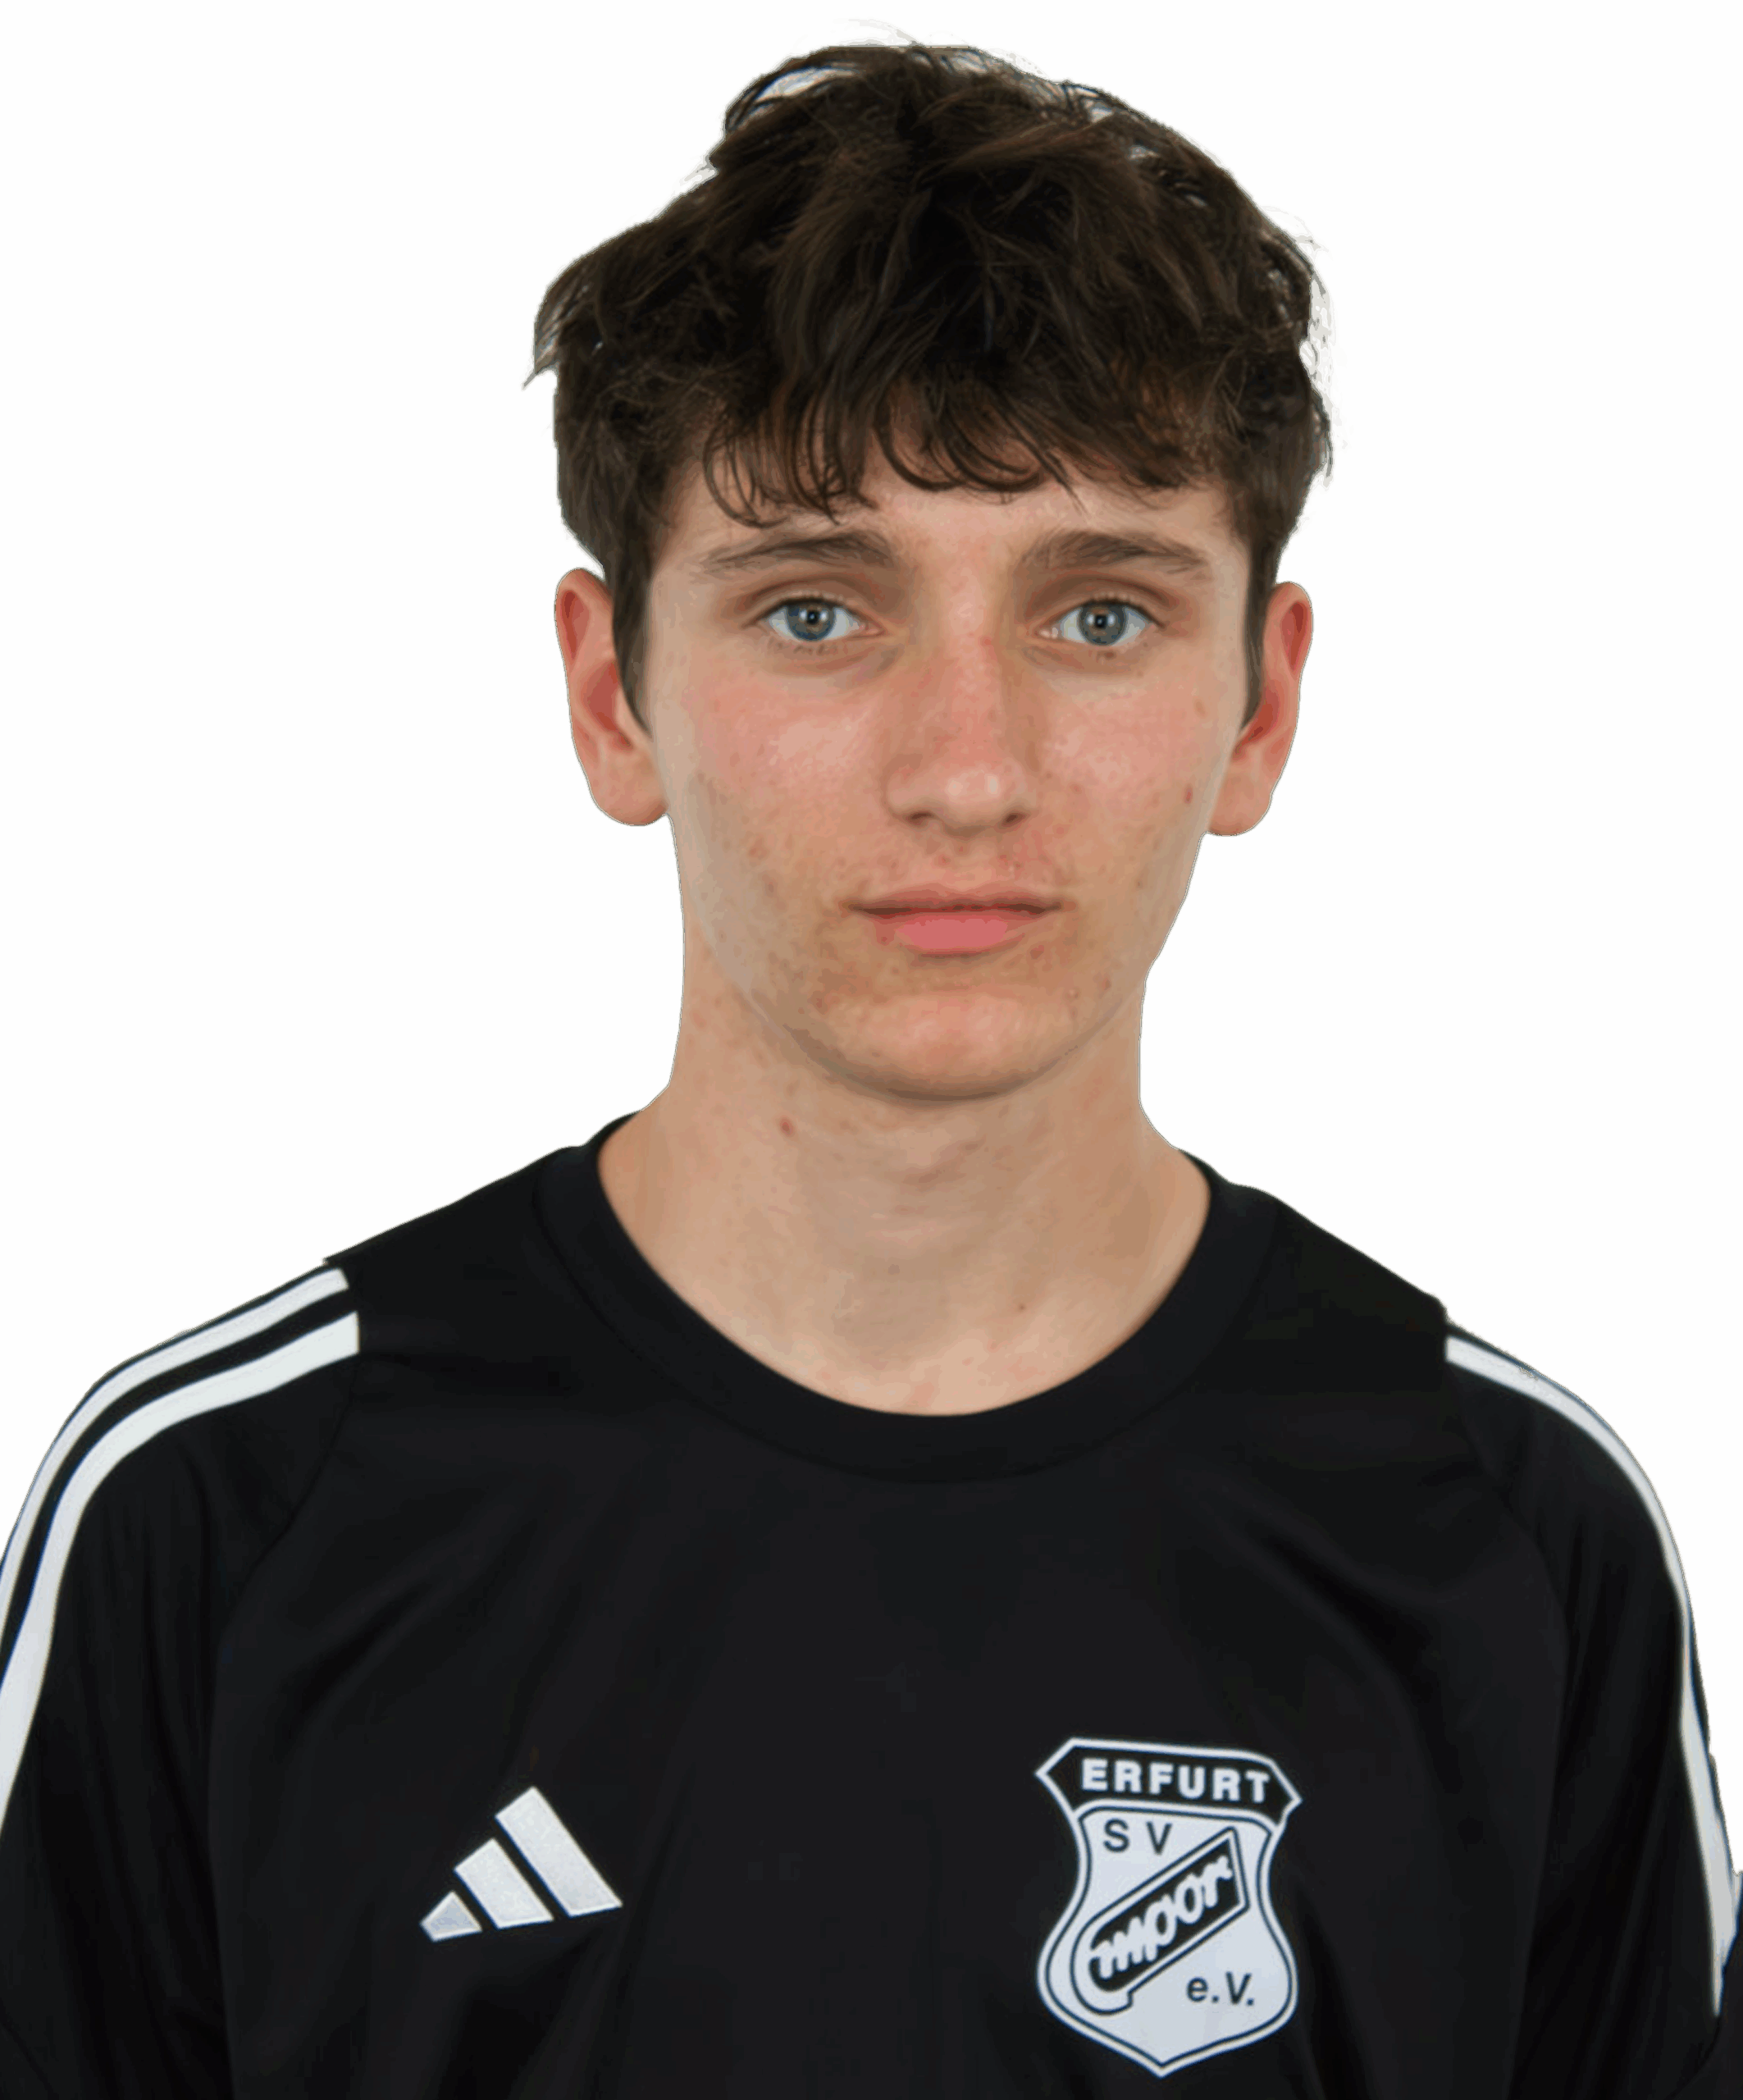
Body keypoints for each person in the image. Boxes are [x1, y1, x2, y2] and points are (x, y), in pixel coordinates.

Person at [0, 23, 1735, 2097]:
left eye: (1100, 614)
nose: (967, 770)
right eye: (818, 611)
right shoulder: (225, 1516)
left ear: (1261, 709)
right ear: (613, 695)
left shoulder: (1511, 1537)